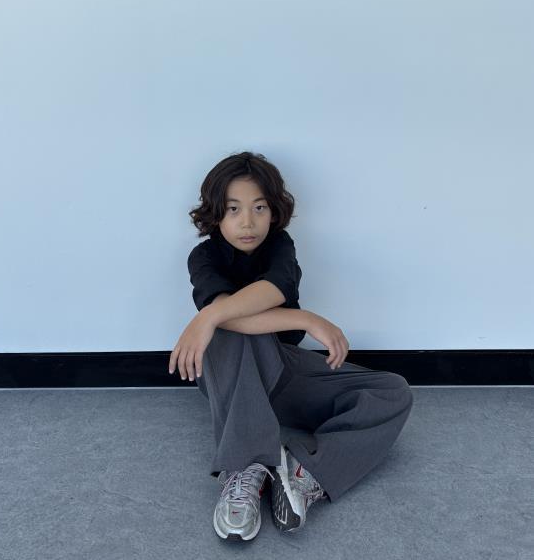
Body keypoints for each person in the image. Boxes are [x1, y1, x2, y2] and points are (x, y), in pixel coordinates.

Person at [169, 151, 414, 542]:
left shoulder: (280, 245)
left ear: (273, 211)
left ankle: (303, 474)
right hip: (230, 375)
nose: (247, 222)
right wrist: (301, 318)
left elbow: (273, 289)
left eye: (259, 208)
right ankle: (245, 467)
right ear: (215, 214)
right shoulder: (204, 256)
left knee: (393, 392)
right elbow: (229, 320)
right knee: (229, 331)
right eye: (233, 209)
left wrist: (209, 315)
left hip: (284, 369)